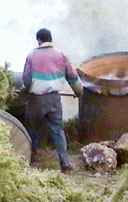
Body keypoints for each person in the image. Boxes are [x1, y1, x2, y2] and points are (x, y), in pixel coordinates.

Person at [23, 28, 83, 172]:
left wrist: (27, 89)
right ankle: (65, 162)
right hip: (54, 99)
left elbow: (26, 79)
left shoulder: (32, 55)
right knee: (57, 130)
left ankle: (31, 158)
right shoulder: (61, 55)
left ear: (39, 40)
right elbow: (72, 77)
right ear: (51, 39)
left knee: (32, 128)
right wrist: (78, 92)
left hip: (37, 99)